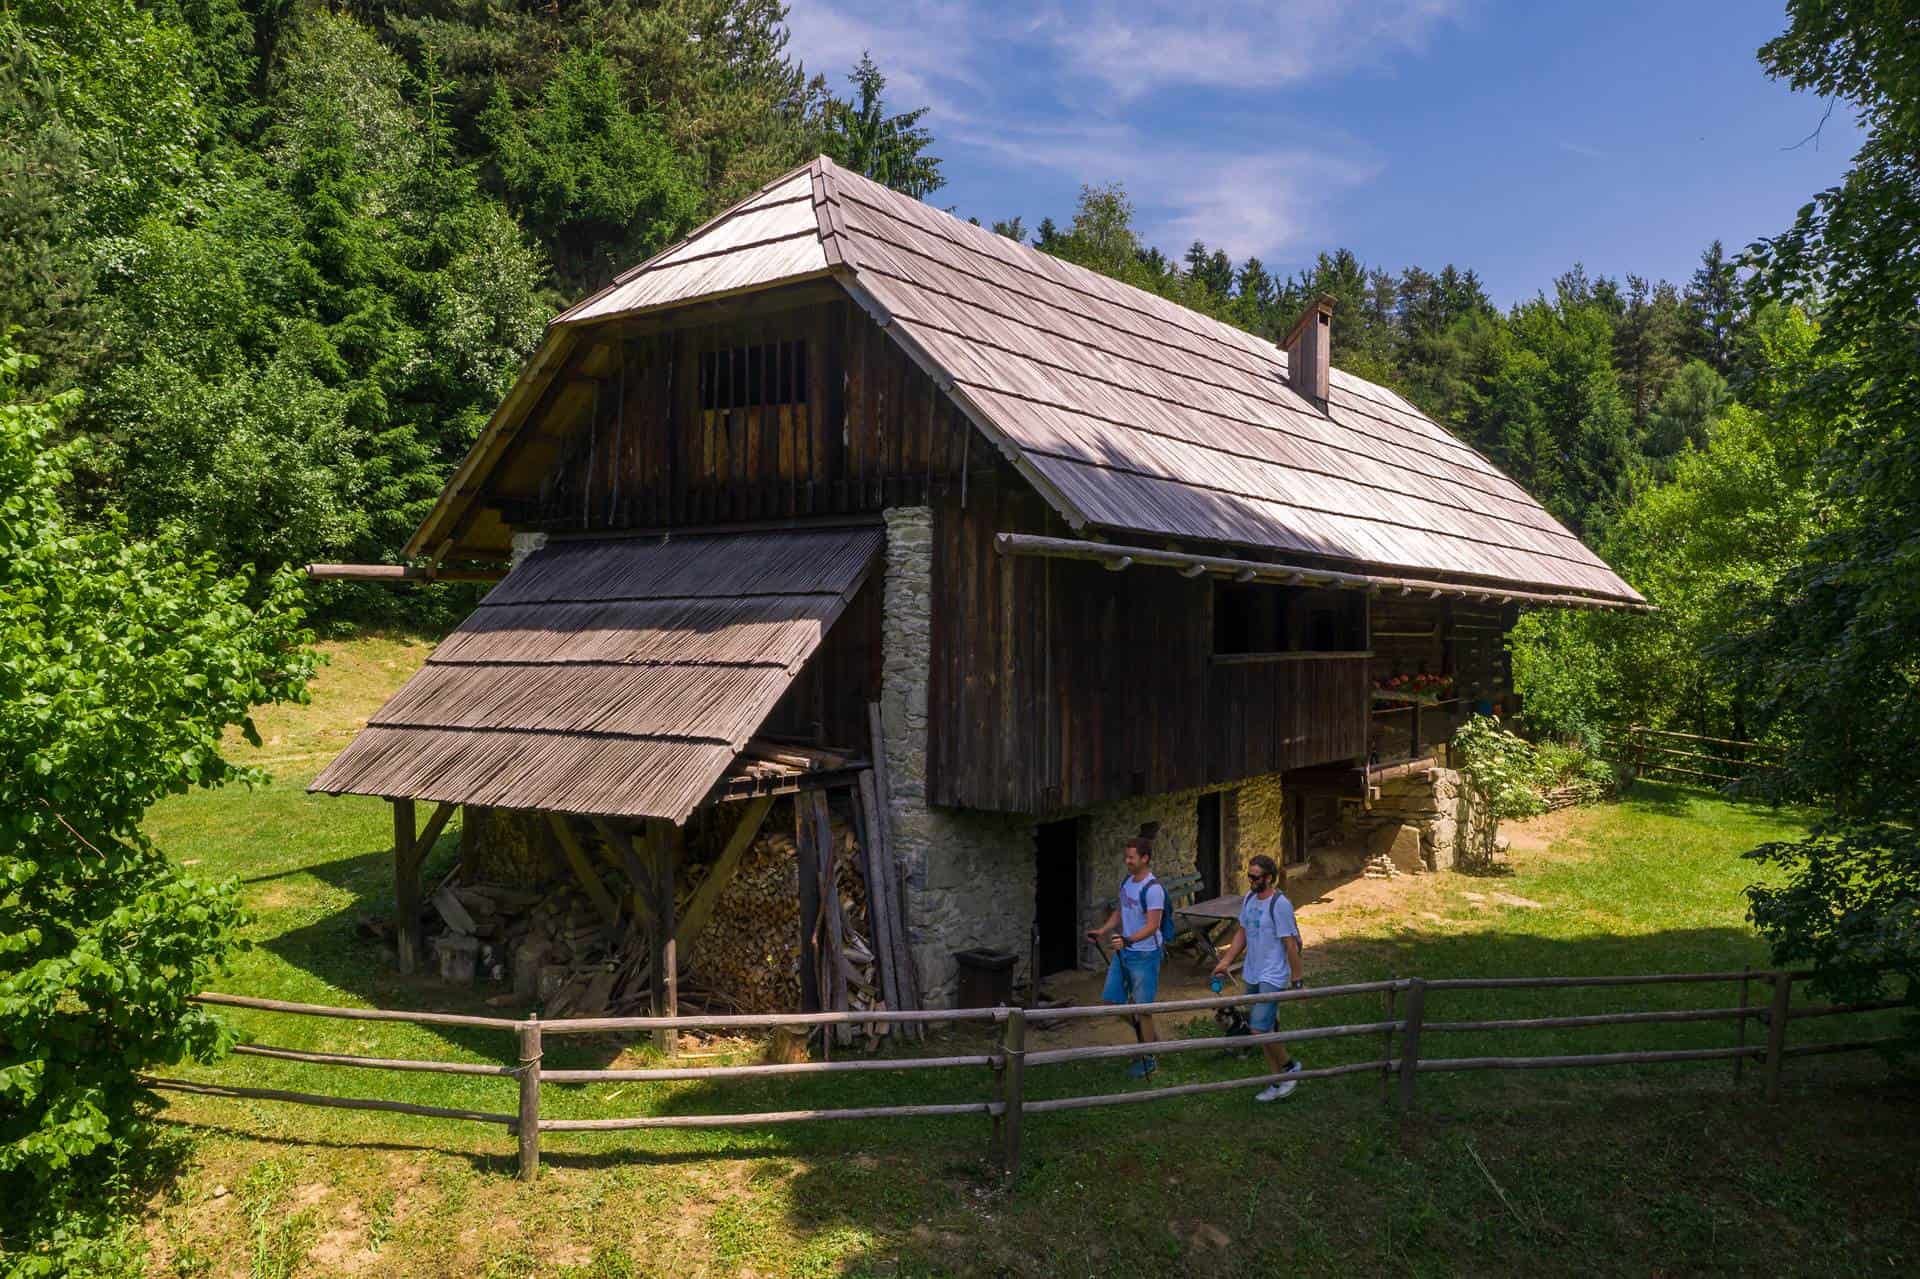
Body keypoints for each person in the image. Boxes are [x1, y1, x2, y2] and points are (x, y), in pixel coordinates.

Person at [1211, 854, 1305, 1102]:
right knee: (1266, 1029)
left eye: (1255, 877)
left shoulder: (1280, 904)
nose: (1250, 881)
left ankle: (1289, 1068)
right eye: (1249, 876)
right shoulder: (1250, 899)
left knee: (1257, 1029)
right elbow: (1242, 932)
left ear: (1269, 878)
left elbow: (1290, 944)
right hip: (1252, 971)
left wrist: (1297, 978)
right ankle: (1276, 1084)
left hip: (1273, 974)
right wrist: (1225, 961)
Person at [1087, 825, 1166, 1079]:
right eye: (1127, 856)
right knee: (1111, 1002)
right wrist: (1103, 930)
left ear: (1145, 858)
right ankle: (1148, 1037)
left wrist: (1127, 939)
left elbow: (1153, 925)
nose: (1127, 861)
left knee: (1143, 1009)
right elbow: (1121, 912)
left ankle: (1149, 1058)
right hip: (1126, 952)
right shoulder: (1127, 883)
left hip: (1145, 954)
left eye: (1131, 857)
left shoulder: (1154, 889)